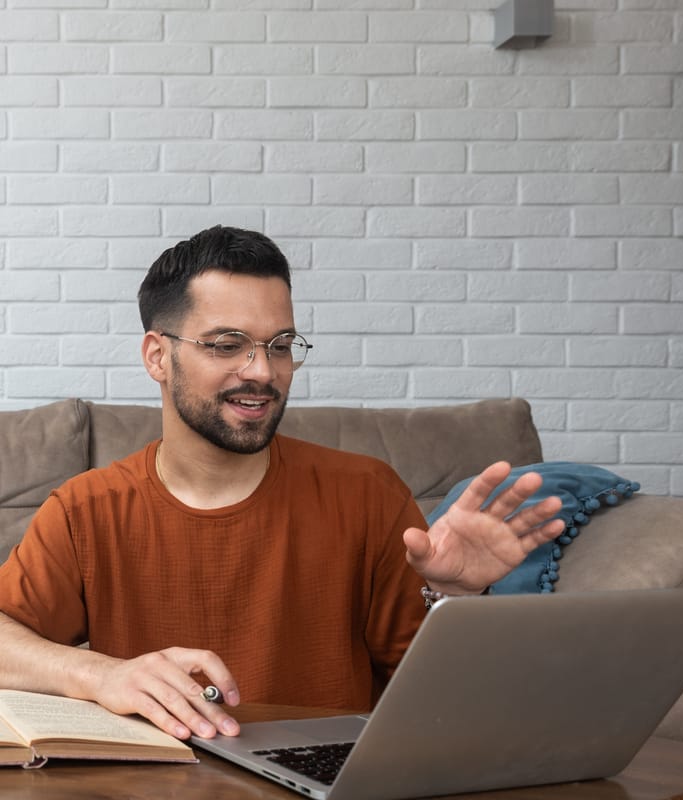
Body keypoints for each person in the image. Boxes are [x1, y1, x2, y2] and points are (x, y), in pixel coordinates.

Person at [0, 226, 564, 743]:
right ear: (157, 356)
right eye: (226, 344)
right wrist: (102, 674)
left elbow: (456, 706)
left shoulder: (368, 495)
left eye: (280, 344)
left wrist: (457, 600)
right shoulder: (87, 510)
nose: (263, 372)